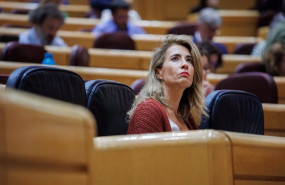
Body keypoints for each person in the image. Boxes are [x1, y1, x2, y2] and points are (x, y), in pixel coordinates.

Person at [127, 34, 207, 134]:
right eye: (175, 58)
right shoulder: (147, 111)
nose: (185, 64)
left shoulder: (185, 115)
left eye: (189, 60)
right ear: (158, 72)